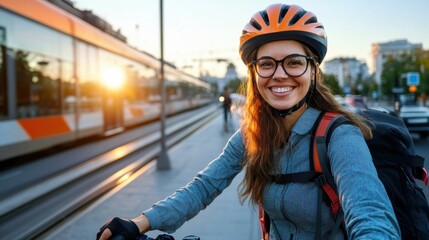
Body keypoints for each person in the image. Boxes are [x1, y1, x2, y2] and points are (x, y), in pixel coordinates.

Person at [97, 3, 400, 240]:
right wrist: (139, 223)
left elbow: (369, 213)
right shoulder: (253, 132)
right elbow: (204, 187)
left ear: (313, 72)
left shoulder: (339, 135)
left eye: (294, 62)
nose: (279, 74)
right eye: (266, 64)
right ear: (254, 75)